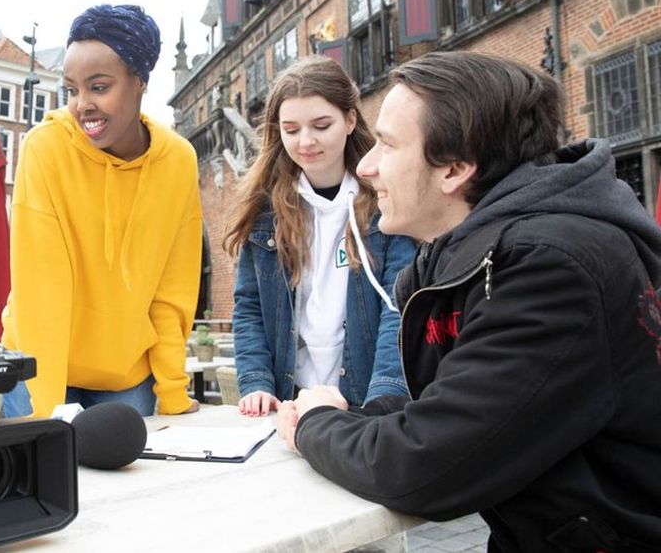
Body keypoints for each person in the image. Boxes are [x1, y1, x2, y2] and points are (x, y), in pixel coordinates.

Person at [280, 51, 661, 552]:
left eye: (388, 146)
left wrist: (314, 425)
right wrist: (357, 414)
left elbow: (426, 465)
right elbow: (456, 402)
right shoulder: (477, 255)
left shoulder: (550, 267)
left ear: (455, 168)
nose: (367, 166)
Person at [1, 4, 202, 418]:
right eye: (72, 90)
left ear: (140, 82)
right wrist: (45, 417)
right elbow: (42, 290)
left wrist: (174, 392)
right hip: (38, 366)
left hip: (125, 376)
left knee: (139, 484)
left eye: (99, 86)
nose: (82, 105)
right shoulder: (45, 148)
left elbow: (172, 291)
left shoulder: (178, 161)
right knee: (40, 480)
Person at [224, 56, 416, 417]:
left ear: (350, 120)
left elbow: (399, 306)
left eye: (321, 125)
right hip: (290, 401)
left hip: (364, 399)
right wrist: (257, 382)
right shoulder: (265, 212)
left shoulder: (385, 203)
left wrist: (384, 396)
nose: (306, 141)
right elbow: (248, 307)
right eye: (291, 129)